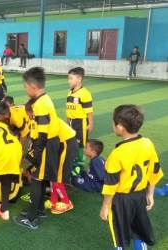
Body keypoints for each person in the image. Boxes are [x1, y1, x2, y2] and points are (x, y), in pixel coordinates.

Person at [100, 104, 163, 250]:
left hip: (121, 201)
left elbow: (111, 185)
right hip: (140, 196)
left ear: (120, 127)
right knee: (139, 231)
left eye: (113, 122)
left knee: (119, 236)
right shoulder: (148, 143)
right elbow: (154, 170)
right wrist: (150, 194)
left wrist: (105, 206)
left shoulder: (116, 155)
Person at [13, 67, 60, 230]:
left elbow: (42, 136)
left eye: (25, 87)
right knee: (38, 179)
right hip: (45, 145)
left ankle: (31, 218)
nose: (25, 90)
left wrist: (32, 157)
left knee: (36, 180)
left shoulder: (41, 104)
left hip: (45, 146)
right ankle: (38, 210)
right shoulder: (44, 100)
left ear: (32, 86)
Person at [66, 67, 93, 166]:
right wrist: (68, 122)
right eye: (68, 78)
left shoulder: (85, 93)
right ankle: (73, 160)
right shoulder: (70, 92)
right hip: (71, 122)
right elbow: (69, 109)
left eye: (71, 78)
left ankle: (80, 163)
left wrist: (90, 124)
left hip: (80, 123)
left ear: (79, 78)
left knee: (80, 144)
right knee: (71, 142)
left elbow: (89, 111)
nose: (69, 81)